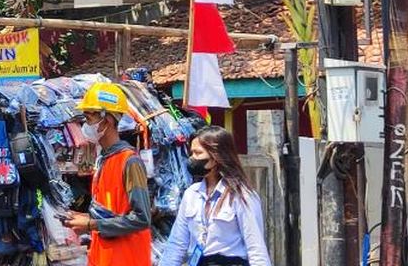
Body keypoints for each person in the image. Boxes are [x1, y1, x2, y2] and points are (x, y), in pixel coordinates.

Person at [63, 82, 152, 266]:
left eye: (89, 118)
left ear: (107, 120)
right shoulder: (104, 159)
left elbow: (142, 219)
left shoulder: (130, 162)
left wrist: (91, 224)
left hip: (125, 259)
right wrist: (85, 219)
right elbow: (112, 213)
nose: (85, 126)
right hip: (104, 257)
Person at [158, 125, 272, 266]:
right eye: (191, 153)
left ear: (216, 157)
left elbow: (256, 248)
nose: (192, 159)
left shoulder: (241, 195)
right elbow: (176, 245)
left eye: (198, 153)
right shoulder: (191, 194)